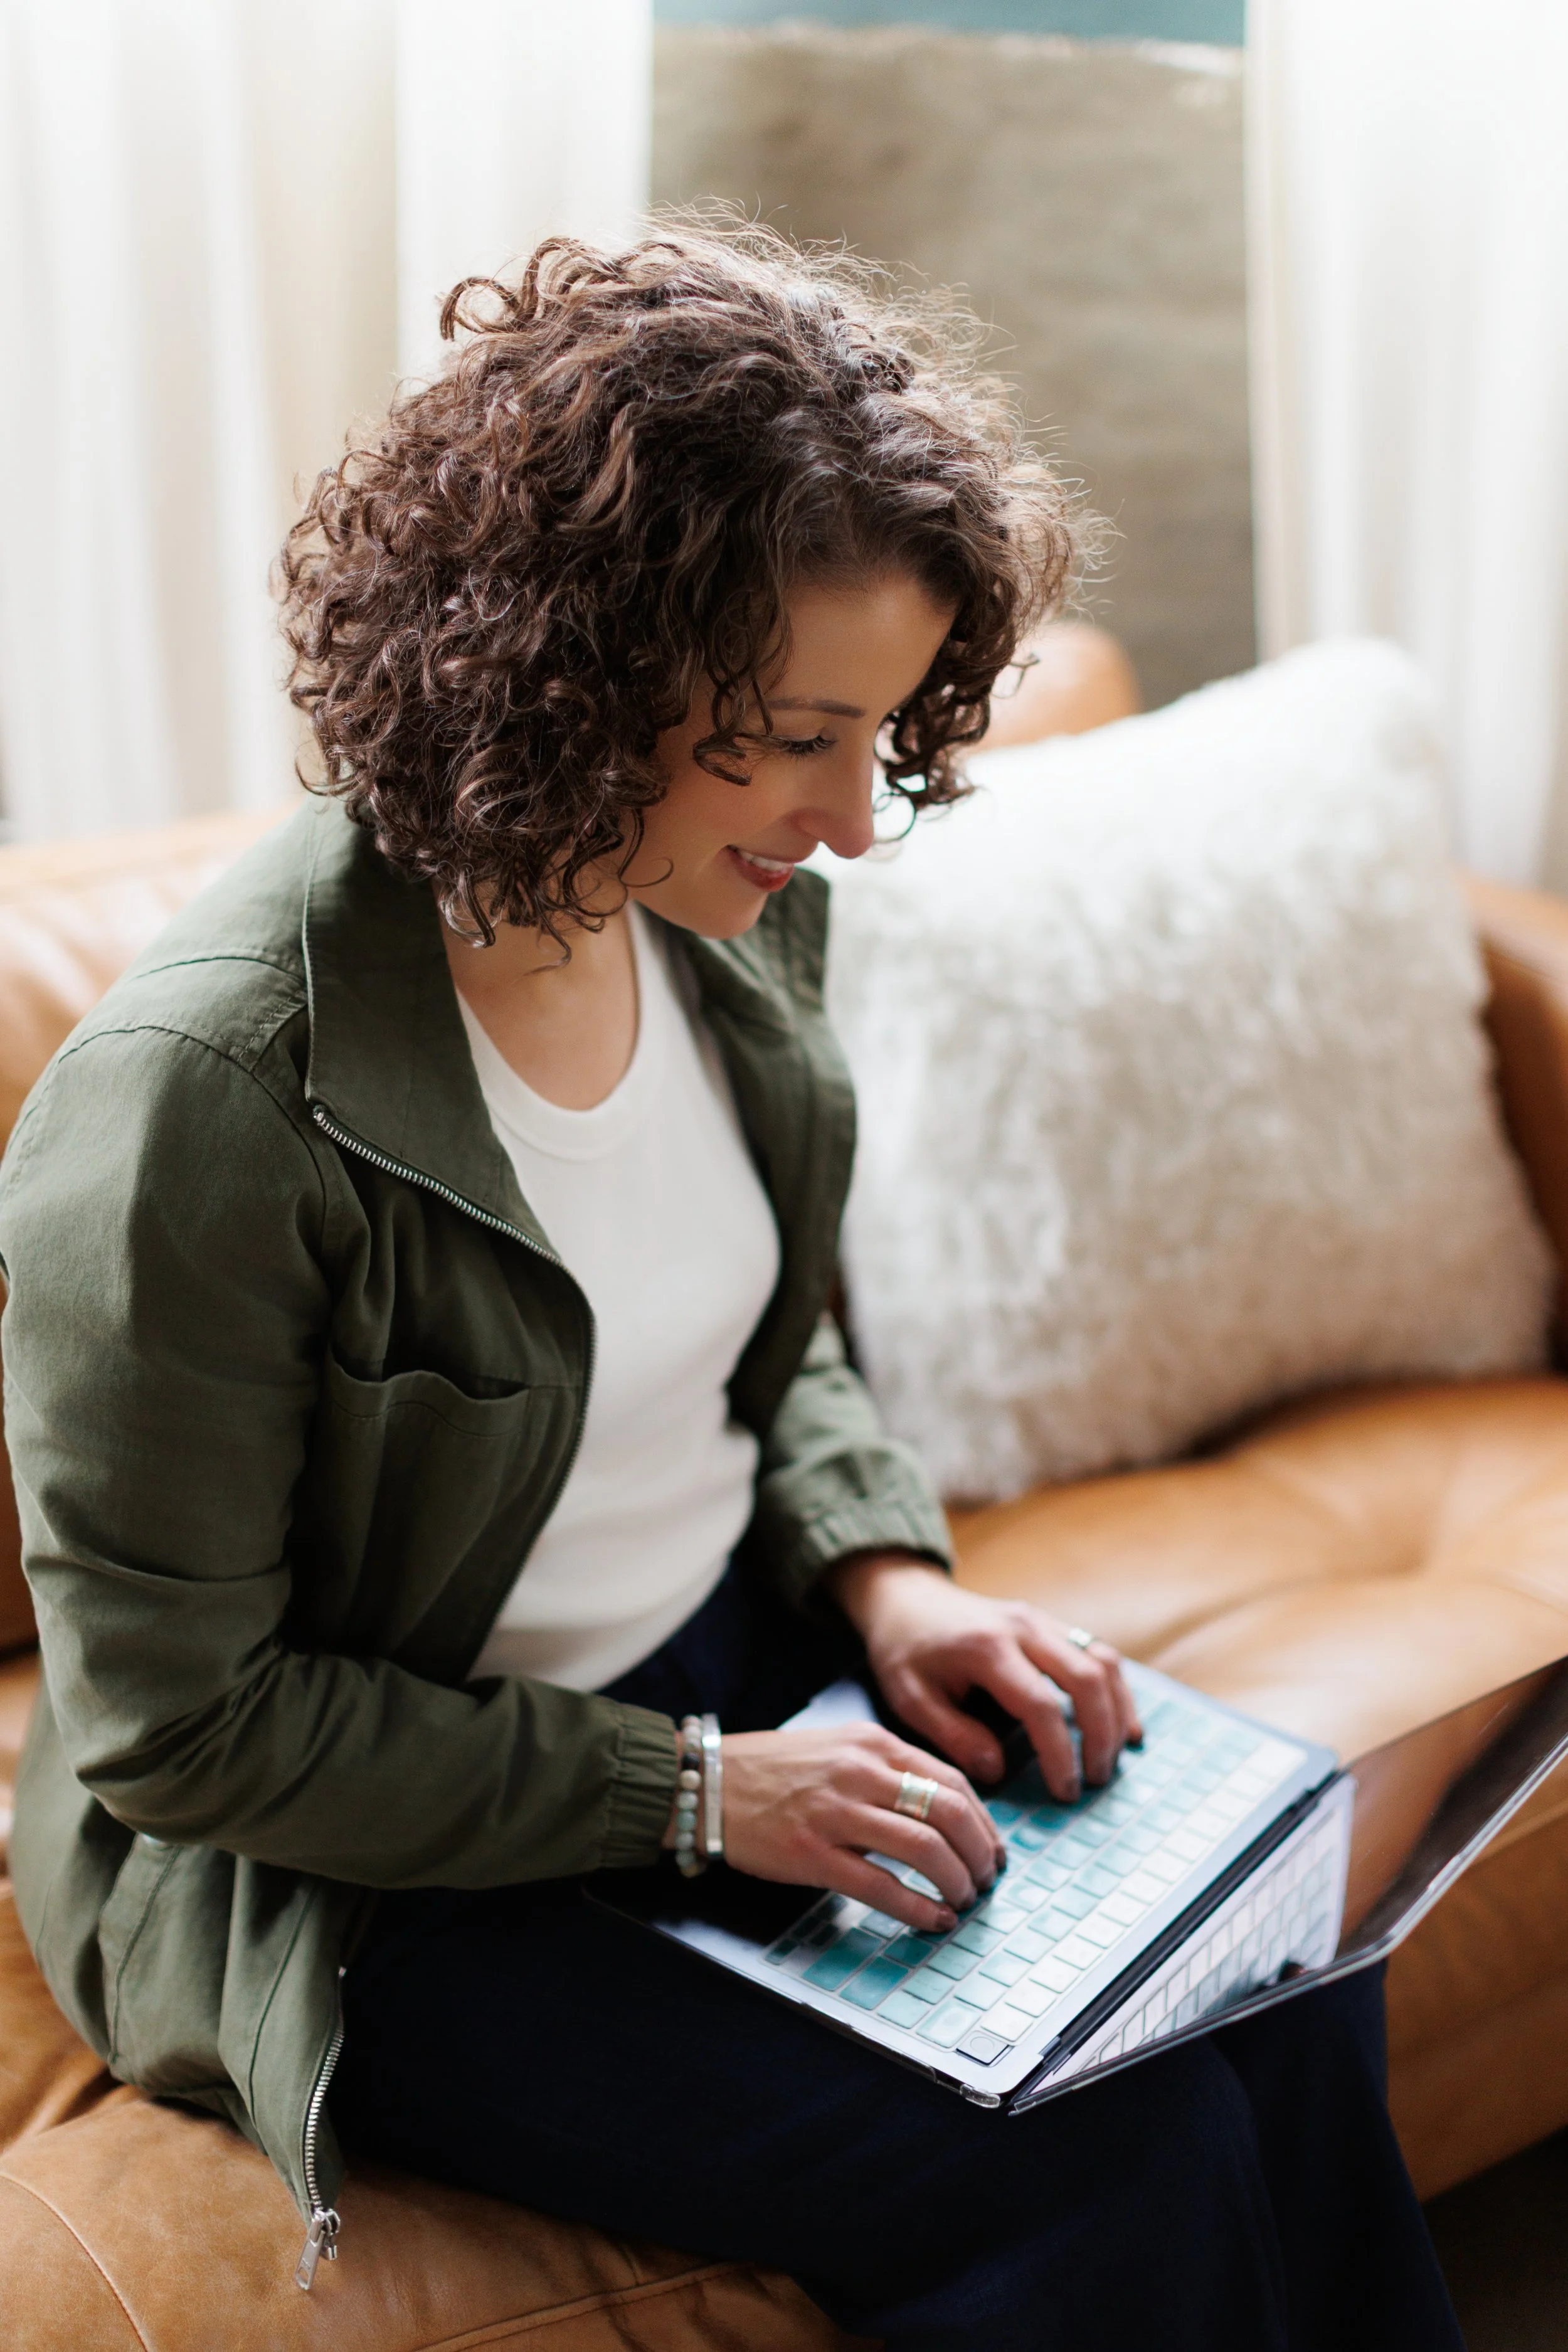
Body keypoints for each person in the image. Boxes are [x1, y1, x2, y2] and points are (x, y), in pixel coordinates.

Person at [0, 222, 1462, 2350]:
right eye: (795, 735)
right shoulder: (206, 1107)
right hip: (367, 1866)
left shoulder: (726, 906)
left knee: (1274, 1972)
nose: (857, 821)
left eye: (882, 733)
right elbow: (180, 1726)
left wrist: (888, 1578)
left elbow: (776, 1356)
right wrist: (693, 1792)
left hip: (742, 1668)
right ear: (562, 665)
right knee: (1096, 2162)